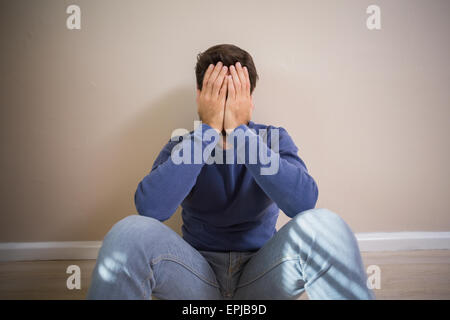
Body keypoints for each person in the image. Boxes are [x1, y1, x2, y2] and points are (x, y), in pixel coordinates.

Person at [87, 44, 374, 300]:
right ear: (201, 97)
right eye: (216, 94)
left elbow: (303, 204)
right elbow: (151, 209)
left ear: (249, 99)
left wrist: (239, 132)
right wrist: (209, 132)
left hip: (263, 274)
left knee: (327, 225)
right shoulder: (182, 144)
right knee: (129, 232)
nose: (225, 103)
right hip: (197, 279)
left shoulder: (273, 140)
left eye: (233, 95)